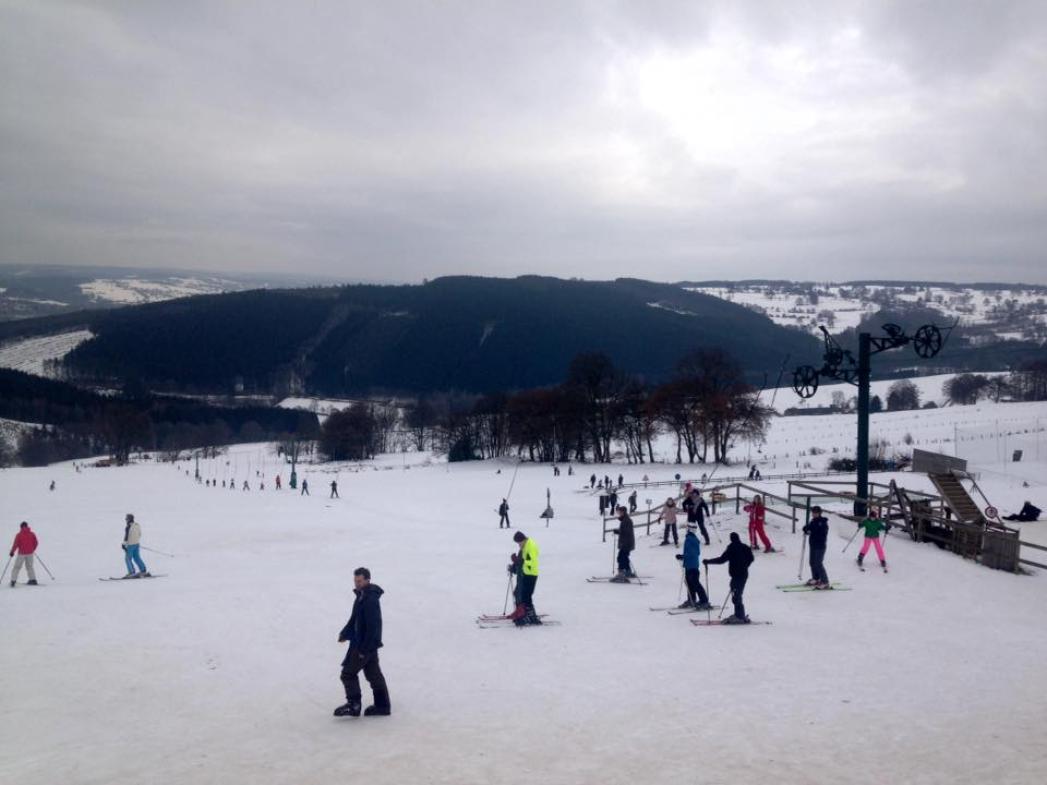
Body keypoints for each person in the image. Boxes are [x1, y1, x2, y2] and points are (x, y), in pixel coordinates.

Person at [334, 567, 390, 717]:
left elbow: (374, 627)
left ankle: (354, 705)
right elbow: (354, 619)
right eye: (355, 581)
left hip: (364, 645)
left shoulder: (370, 600)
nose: (357, 584)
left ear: (367, 580)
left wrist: (363, 650)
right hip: (367, 645)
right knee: (373, 675)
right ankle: (383, 706)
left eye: (359, 581)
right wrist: (345, 633)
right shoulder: (362, 596)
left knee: (348, 674)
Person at [704, 532, 755, 624]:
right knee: (736, 593)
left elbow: (721, 560)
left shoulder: (731, 548)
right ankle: (738, 614)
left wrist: (708, 561)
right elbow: (751, 558)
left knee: (736, 595)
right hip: (743, 574)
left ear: (731, 539)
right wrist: (745, 565)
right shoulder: (745, 547)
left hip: (737, 575)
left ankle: (740, 616)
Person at [508, 531, 541, 625]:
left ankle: (530, 616)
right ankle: (523, 614)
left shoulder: (531, 546)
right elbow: (521, 562)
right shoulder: (524, 547)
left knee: (526, 596)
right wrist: (513, 567)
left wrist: (520, 562)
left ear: (523, 540)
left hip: (531, 574)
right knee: (521, 595)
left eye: (519, 543)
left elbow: (533, 563)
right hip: (525, 574)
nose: (519, 545)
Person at [675, 523, 711, 609]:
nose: (686, 530)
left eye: (687, 528)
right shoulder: (694, 539)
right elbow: (696, 553)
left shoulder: (689, 539)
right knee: (690, 583)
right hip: (692, 565)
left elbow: (692, 553)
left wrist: (683, 556)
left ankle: (704, 600)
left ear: (689, 529)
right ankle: (691, 599)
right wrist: (683, 556)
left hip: (691, 565)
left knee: (695, 583)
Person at [803, 506, 831, 588]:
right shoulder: (813, 521)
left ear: (819, 513)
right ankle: (816, 578)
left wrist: (811, 531)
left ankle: (825, 582)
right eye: (813, 513)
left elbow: (821, 534)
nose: (814, 514)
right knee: (812, 562)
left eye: (816, 513)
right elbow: (807, 528)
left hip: (820, 546)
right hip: (813, 545)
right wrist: (805, 529)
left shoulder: (823, 522)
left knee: (818, 563)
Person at [9, 521, 39, 587]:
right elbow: (36, 543)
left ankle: (13, 581)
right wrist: (32, 549)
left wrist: (12, 552)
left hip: (21, 554)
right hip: (30, 553)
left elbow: (15, 544)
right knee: (30, 566)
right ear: (27, 526)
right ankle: (33, 579)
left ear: (21, 527)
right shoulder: (32, 534)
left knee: (17, 567)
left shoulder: (19, 535)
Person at [610, 507, 636, 582]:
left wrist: (619, 532)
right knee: (624, 557)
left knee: (621, 558)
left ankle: (621, 574)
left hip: (626, 543)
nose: (619, 513)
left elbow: (627, 532)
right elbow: (624, 530)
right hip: (626, 542)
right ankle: (628, 572)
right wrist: (618, 531)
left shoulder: (626, 520)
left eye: (620, 512)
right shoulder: (625, 520)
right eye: (619, 512)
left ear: (624, 512)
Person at [122, 514, 150, 579]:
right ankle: (143, 570)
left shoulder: (128, 527)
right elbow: (140, 534)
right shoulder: (137, 525)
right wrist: (136, 541)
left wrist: (124, 544)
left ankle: (131, 572)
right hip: (137, 544)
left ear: (129, 519)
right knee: (137, 557)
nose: (126, 520)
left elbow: (126, 537)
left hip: (130, 545)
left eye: (126, 519)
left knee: (127, 559)